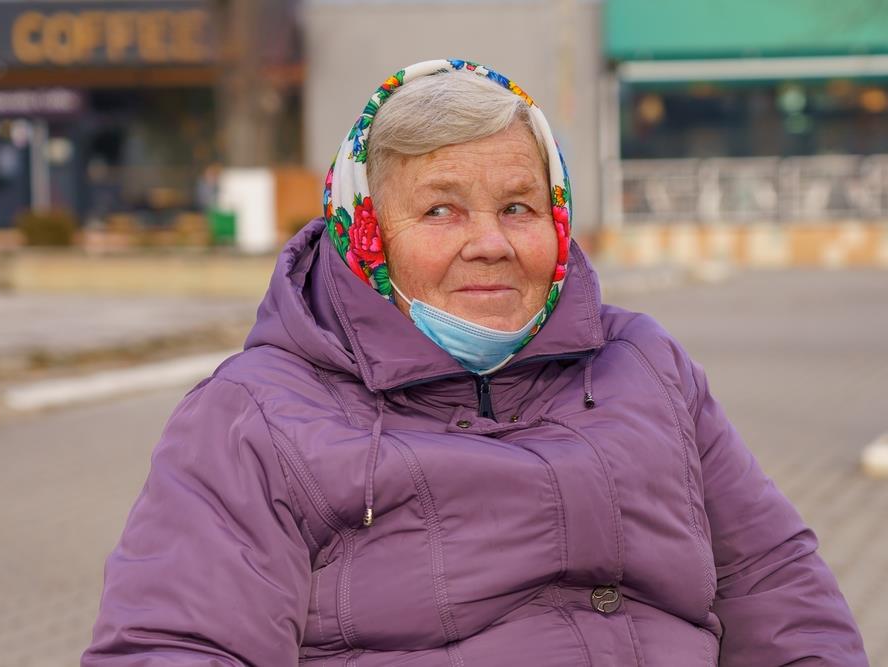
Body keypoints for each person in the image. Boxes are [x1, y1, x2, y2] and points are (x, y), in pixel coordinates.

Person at [82, 60, 867, 666]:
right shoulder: (254, 417)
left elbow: (774, 583)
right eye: (441, 209)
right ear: (366, 232)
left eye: (519, 206)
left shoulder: (646, 364)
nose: (489, 241)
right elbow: (175, 643)